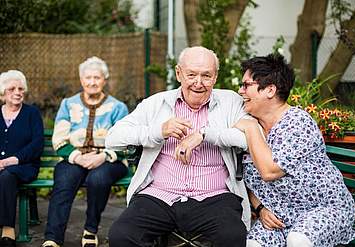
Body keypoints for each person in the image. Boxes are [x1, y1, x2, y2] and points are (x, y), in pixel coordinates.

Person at [105, 46, 252, 247]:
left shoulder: (231, 102)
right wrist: (159, 131)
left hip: (215, 196)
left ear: (215, 77)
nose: (198, 83)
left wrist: (205, 134)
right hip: (158, 195)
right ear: (178, 73)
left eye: (206, 76)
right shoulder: (156, 104)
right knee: (121, 235)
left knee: (233, 236)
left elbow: (249, 138)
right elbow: (113, 138)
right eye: (191, 74)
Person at [233, 53, 355, 247]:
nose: (241, 91)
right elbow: (245, 179)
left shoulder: (297, 123)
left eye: (246, 85)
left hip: (324, 210)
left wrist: (250, 129)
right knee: (253, 245)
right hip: (280, 216)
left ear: (269, 90)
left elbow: (269, 171)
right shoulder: (252, 124)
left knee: (298, 240)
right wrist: (259, 208)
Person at [41, 56, 129, 247]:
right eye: (88, 78)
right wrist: (78, 157)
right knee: (64, 181)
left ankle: (90, 230)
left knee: (98, 179)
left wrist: (102, 157)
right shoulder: (68, 104)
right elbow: (59, 139)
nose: (92, 82)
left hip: (109, 160)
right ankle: (53, 238)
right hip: (75, 157)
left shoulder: (118, 107)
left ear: (104, 80)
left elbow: (125, 141)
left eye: (97, 78)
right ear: (81, 80)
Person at [0, 70, 44, 247]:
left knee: (6, 176)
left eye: (21, 89)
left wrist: (10, 161)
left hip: (25, 166)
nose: (17, 92)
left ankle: (7, 229)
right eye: (12, 89)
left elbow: (37, 144)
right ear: (3, 92)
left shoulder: (32, 113)